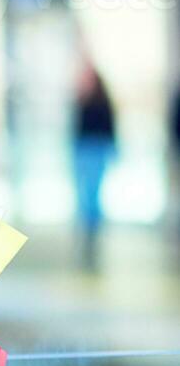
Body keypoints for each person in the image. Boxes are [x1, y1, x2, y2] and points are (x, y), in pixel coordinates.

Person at [71, 65, 116, 270]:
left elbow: (110, 128)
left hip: (96, 151)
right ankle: (87, 232)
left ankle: (93, 233)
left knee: (93, 195)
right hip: (83, 151)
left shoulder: (101, 102)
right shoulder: (81, 101)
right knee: (84, 195)